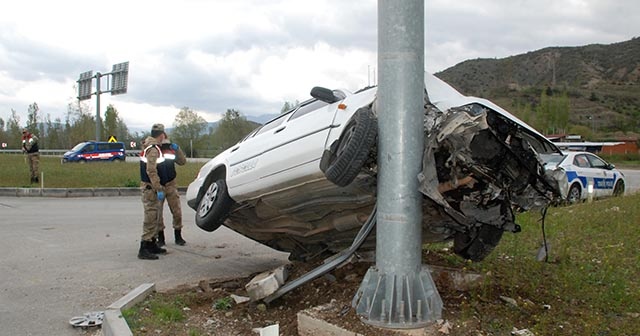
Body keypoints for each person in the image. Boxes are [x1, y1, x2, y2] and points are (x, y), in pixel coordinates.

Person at [137, 123, 171, 260]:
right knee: (150, 217)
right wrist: (158, 187)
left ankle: (152, 244)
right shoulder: (153, 149)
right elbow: (151, 170)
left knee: (155, 216)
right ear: (161, 135)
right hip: (151, 188)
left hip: (151, 188)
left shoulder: (150, 146)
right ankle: (144, 247)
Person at [156, 136, 187, 246]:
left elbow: (182, 162)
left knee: (177, 211)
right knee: (158, 213)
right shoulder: (154, 150)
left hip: (171, 184)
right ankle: (160, 238)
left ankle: (178, 236)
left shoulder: (171, 150)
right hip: (158, 185)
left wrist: (177, 149)